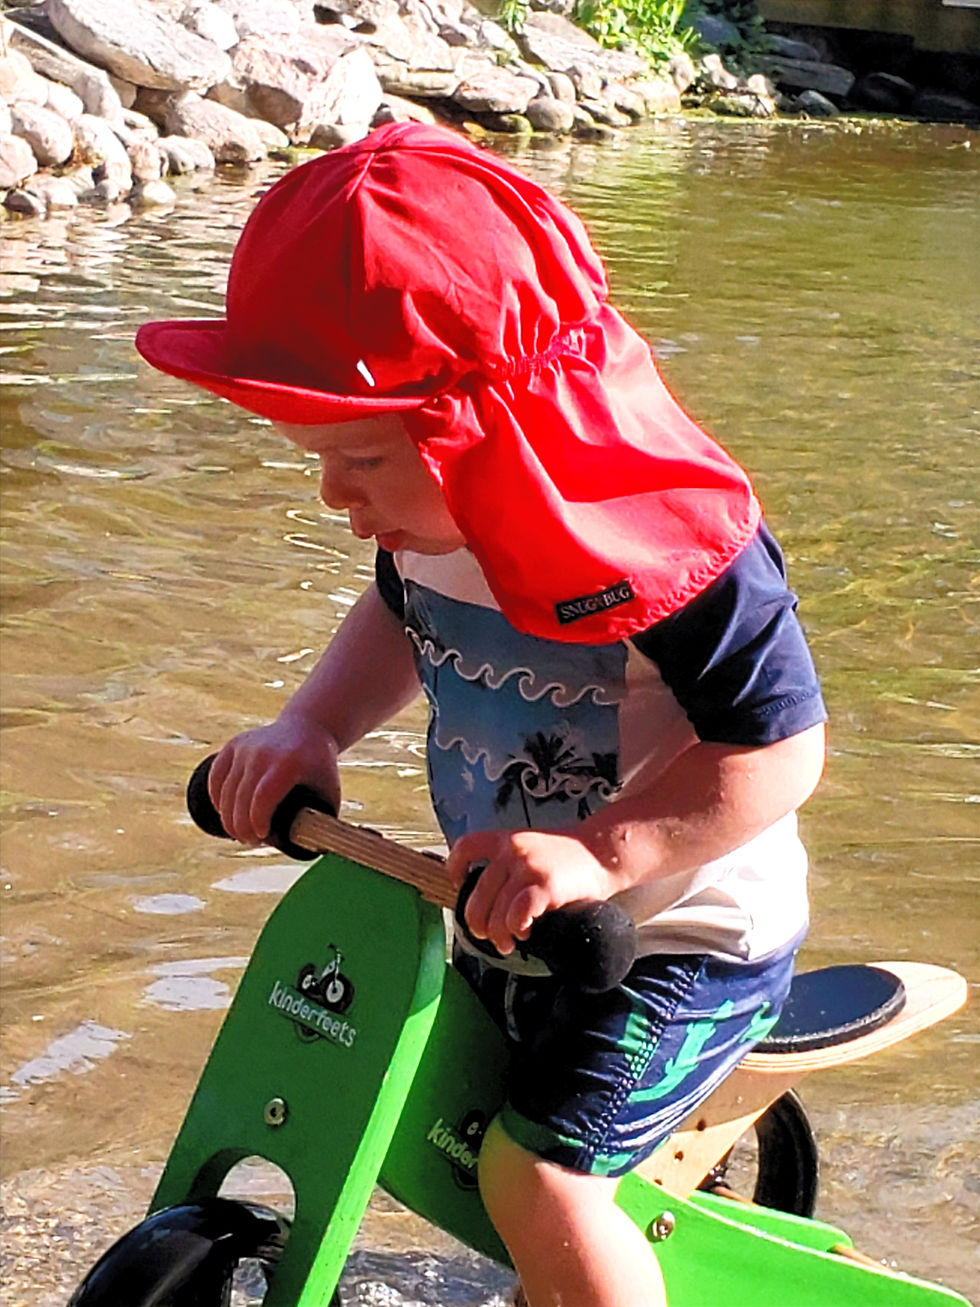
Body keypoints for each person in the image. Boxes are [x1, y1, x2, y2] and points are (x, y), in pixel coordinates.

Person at [136, 121, 827, 1307]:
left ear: (489, 429)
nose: (333, 494)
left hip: (675, 939)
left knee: (536, 1178)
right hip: (516, 914)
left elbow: (779, 744)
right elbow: (397, 616)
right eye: (316, 456)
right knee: (425, 1111)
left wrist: (607, 853)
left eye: (357, 456)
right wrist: (311, 729)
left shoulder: (673, 552)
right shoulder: (437, 517)